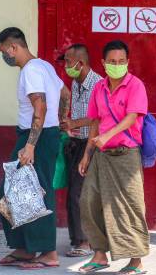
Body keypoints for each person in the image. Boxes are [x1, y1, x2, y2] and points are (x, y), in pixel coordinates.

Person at [0, 27, 71, 269]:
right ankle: (25, 248)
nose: (4, 56)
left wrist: (30, 146)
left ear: (13, 47)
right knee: (16, 192)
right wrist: (59, 122)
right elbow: (65, 94)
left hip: (34, 137)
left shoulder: (30, 71)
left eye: (3, 51)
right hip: (43, 135)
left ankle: (48, 252)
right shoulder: (45, 66)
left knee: (34, 193)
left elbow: (40, 108)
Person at [78, 40, 150, 274]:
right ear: (103, 63)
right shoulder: (99, 88)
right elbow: (95, 123)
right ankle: (99, 254)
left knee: (129, 206)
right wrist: (87, 155)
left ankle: (136, 261)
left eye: (121, 62)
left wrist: (108, 135)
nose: (116, 65)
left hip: (126, 155)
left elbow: (132, 117)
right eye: (112, 62)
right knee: (89, 202)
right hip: (101, 155)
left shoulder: (135, 85)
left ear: (127, 62)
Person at [58, 44, 103, 258]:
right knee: (75, 193)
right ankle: (80, 239)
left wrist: (74, 123)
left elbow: (99, 117)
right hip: (75, 143)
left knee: (79, 194)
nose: (66, 66)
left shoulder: (98, 84)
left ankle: (84, 242)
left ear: (81, 63)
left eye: (68, 61)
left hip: (91, 144)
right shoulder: (76, 83)